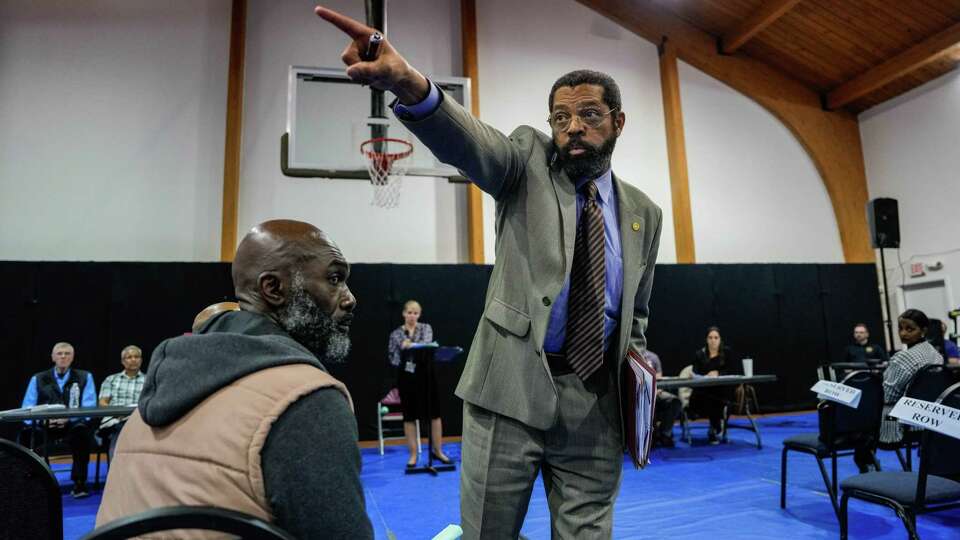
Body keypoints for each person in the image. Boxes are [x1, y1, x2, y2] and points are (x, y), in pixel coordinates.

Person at [317, 9, 663, 538]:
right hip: (508, 396)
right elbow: (472, 142)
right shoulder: (525, 161)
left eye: (589, 115)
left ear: (618, 121)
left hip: (596, 410)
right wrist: (409, 83)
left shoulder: (645, 212)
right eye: (561, 117)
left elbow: (634, 313)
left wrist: (635, 368)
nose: (573, 127)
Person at [97, 220, 372, 539]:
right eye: (335, 278)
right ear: (274, 289)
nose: (350, 298)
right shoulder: (307, 398)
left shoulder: (160, 386)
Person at [20, 342, 97, 498]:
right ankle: (38, 482)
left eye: (67, 353)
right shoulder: (38, 378)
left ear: (72, 357)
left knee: (82, 433)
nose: (63, 357)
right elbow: (26, 408)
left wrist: (68, 419)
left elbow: (89, 409)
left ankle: (79, 483)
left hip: (72, 426)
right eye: (60, 353)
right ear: (53, 357)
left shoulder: (85, 377)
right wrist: (45, 421)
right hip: (45, 426)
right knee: (26, 435)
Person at [388, 300, 451, 468]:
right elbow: (393, 359)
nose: (412, 316)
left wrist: (411, 347)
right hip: (406, 378)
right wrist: (403, 349)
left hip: (426, 377)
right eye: (409, 312)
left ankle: (437, 451)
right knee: (409, 416)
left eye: (415, 313)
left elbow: (427, 347)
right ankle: (414, 454)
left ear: (419, 315)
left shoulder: (426, 328)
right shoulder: (395, 334)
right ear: (403, 313)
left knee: (434, 415)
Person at [878, 309, 944, 447]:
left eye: (910, 329)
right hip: (930, 420)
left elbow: (887, 395)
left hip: (896, 420)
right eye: (900, 328)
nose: (903, 333)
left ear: (923, 330)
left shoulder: (902, 357)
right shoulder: (936, 354)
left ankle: (865, 459)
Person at [689, 327, 738, 444]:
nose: (713, 340)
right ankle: (716, 427)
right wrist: (706, 375)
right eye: (710, 337)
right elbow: (694, 372)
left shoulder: (727, 353)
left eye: (716, 338)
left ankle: (714, 428)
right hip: (703, 391)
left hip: (722, 391)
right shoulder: (699, 354)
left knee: (717, 396)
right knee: (710, 396)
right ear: (706, 340)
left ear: (720, 339)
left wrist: (718, 373)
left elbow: (733, 370)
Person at [97, 345, 146, 460]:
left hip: (139, 420)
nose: (133, 359)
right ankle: (116, 470)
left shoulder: (148, 380)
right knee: (120, 428)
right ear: (123, 361)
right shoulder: (111, 380)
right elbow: (103, 403)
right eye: (129, 357)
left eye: (136, 357)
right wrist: (117, 413)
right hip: (114, 419)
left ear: (141, 360)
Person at [642, 349, 681, 447]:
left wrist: (657, 389)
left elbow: (659, 378)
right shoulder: (629, 356)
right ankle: (651, 437)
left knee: (674, 401)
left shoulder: (653, 357)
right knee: (649, 402)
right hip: (639, 394)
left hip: (657, 391)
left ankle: (664, 433)